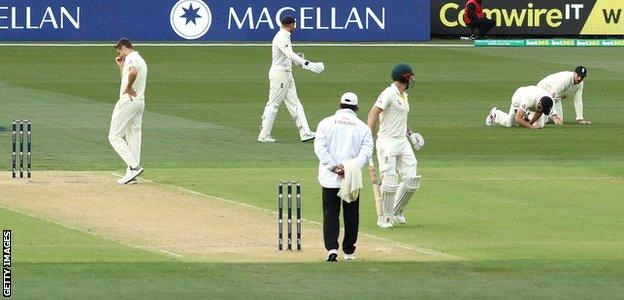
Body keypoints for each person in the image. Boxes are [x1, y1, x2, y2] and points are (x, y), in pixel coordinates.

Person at [314, 92, 373, 261]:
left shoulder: (325, 123)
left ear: (339, 105)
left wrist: (334, 167)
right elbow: (367, 151)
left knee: (330, 212)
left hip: (329, 176)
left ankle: (331, 249)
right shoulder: (362, 127)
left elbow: (319, 148)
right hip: (351, 177)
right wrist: (350, 167)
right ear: (356, 108)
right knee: (351, 214)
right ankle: (349, 251)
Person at [367, 64, 423, 229]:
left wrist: (411, 134)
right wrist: (370, 137)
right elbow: (373, 114)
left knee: (412, 180)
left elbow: (400, 120)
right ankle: (384, 217)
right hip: (387, 141)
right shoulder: (389, 93)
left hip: (402, 142)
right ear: (404, 78)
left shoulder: (404, 95)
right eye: (410, 77)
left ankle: (396, 211)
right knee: (390, 181)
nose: (412, 80)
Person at [258, 16, 325, 143]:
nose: (296, 26)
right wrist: (308, 65)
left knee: (295, 104)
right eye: (294, 24)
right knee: (274, 104)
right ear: (290, 25)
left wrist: (299, 59)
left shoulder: (285, 36)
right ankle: (264, 135)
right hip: (280, 75)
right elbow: (290, 55)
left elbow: (289, 56)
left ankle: (304, 132)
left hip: (287, 74)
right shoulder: (281, 36)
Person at [109, 38, 147, 184]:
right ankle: (132, 174)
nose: (118, 53)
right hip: (139, 102)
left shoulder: (131, 57)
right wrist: (121, 67)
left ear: (124, 47)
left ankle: (134, 167)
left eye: (119, 50)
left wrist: (129, 86)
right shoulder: (140, 59)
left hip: (128, 101)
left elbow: (133, 72)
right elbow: (128, 76)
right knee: (133, 137)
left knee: (114, 136)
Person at [485, 86, 555, 129]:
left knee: (540, 125)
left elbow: (539, 112)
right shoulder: (528, 100)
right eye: (541, 109)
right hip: (518, 97)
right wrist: (531, 127)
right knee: (509, 124)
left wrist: (529, 124)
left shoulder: (548, 98)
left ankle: (526, 117)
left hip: (533, 97)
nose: (541, 111)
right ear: (539, 103)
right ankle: (495, 113)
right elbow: (517, 118)